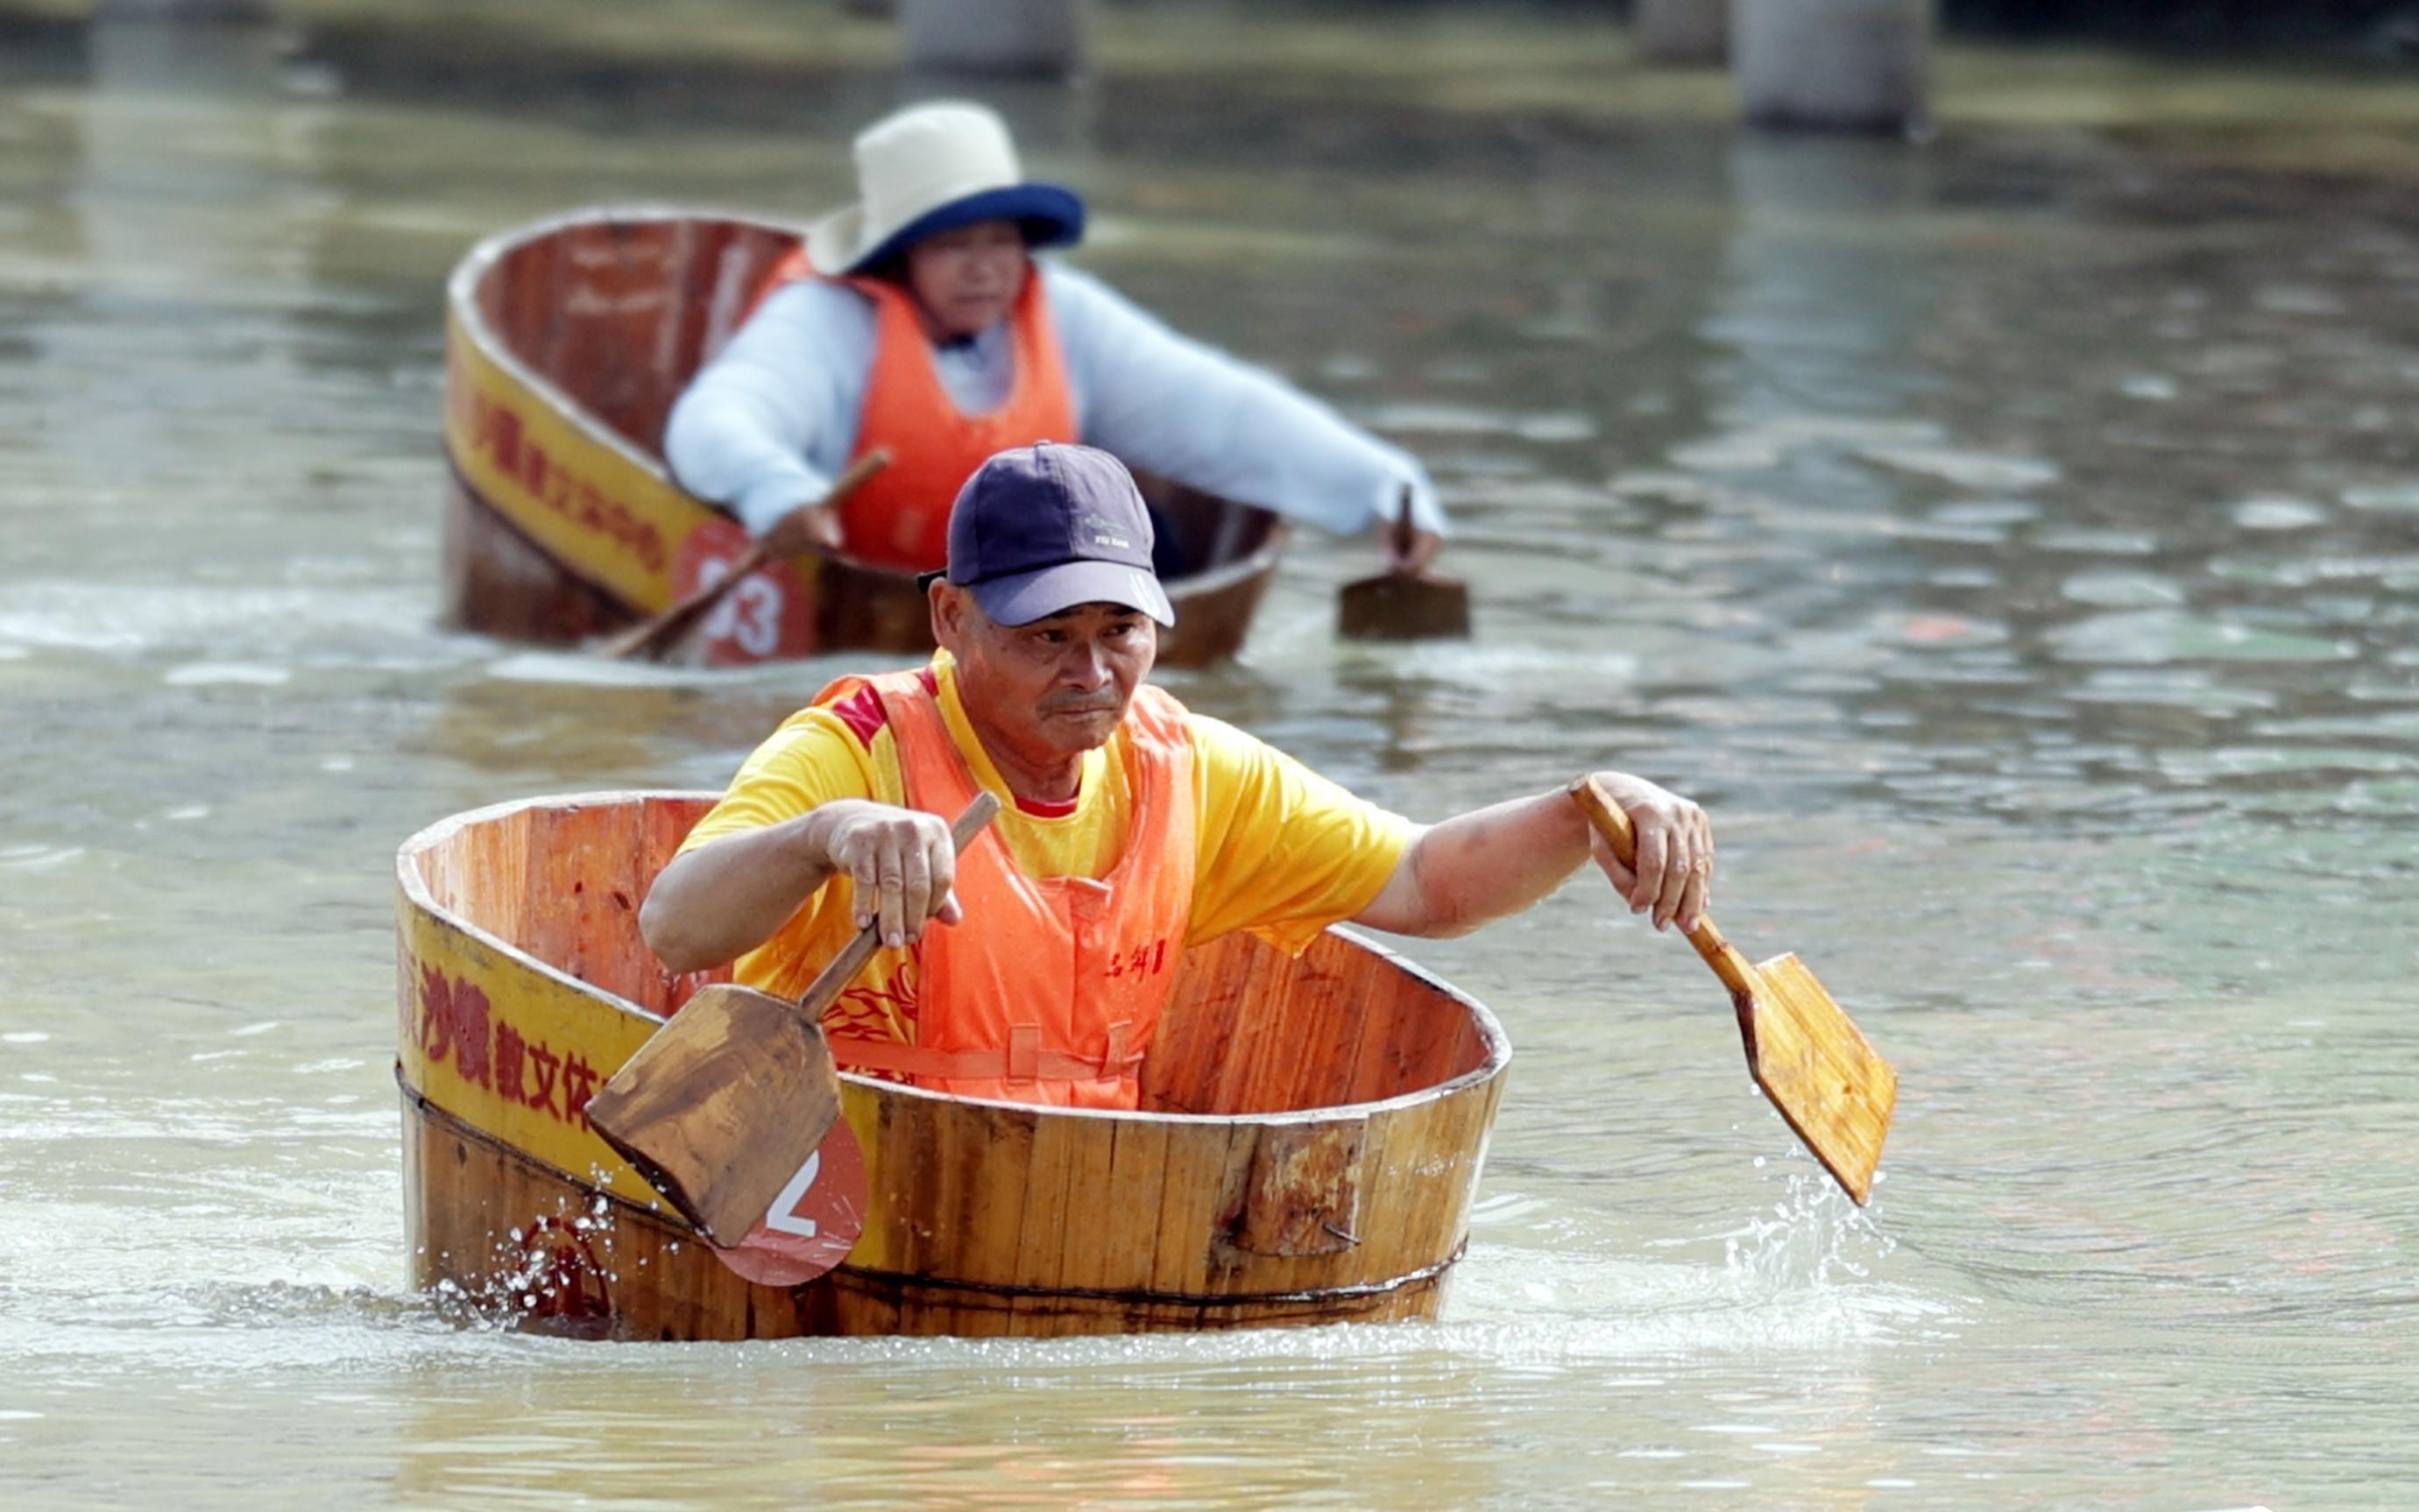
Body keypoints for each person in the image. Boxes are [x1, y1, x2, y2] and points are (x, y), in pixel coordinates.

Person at [641, 442, 1713, 1112]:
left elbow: (1429, 881)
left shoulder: (1187, 766)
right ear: (951, 618)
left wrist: (1589, 808)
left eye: (1121, 631)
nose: (1091, 673)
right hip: (833, 1186)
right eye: (1047, 634)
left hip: (1086, 1198)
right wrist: (820, 835)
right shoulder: (855, 742)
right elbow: (674, 930)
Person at [661, 98, 1446, 577]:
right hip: (877, 581)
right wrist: (777, 491)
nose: (983, 270)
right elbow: (711, 422)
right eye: (951, 245)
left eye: (1000, 242)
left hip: (1025, 602)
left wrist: (1379, 488)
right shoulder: (828, 320)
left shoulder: (1065, 314)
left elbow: (1217, 414)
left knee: (1150, 541)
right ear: (899, 259)